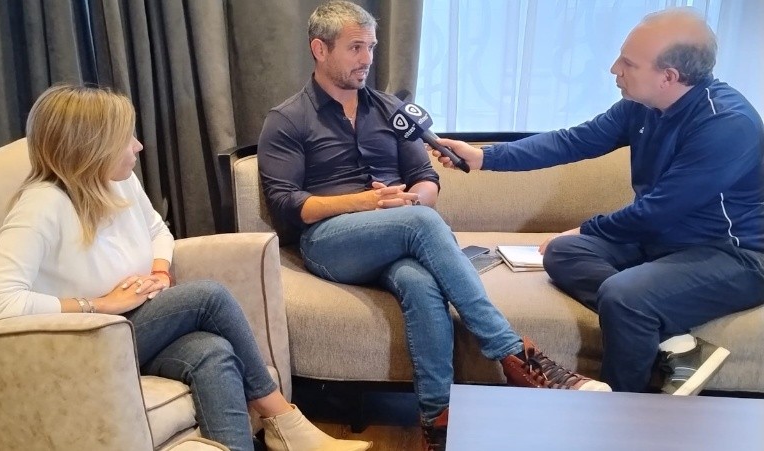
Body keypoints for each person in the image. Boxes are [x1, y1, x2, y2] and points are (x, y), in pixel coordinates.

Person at [258, 2, 611, 449]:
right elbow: (288, 205)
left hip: (399, 229)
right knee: (421, 223)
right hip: (331, 241)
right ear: (319, 49)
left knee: (420, 282)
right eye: (355, 48)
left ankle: (437, 426)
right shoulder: (288, 119)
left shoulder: (391, 110)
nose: (367, 58)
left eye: (371, 47)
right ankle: (515, 355)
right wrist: (369, 202)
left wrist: (409, 201)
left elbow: (426, 179)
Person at [0, 85, 372, 451]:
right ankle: (283, 419)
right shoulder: (42, 205)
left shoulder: (118, 181)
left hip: (133, 325)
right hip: (84, 345)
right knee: (208, 297)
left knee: (212, 353)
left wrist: (161, 271)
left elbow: (157, 231)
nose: (138, 146)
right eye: (125, 138)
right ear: (91, 146)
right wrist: (98, 305)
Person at [433, 7, 764, 396]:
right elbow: (573, 141)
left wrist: (588, 228)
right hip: (664, 243)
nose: (613, 69)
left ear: (669, 77)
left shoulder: (727, 124)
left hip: (733, 255)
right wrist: (485, 157)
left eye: (628, 63)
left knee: (624, 295)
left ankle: (617, 411)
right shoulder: (643, 105)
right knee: (563, 253)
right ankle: (679, 345)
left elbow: (657, 212)